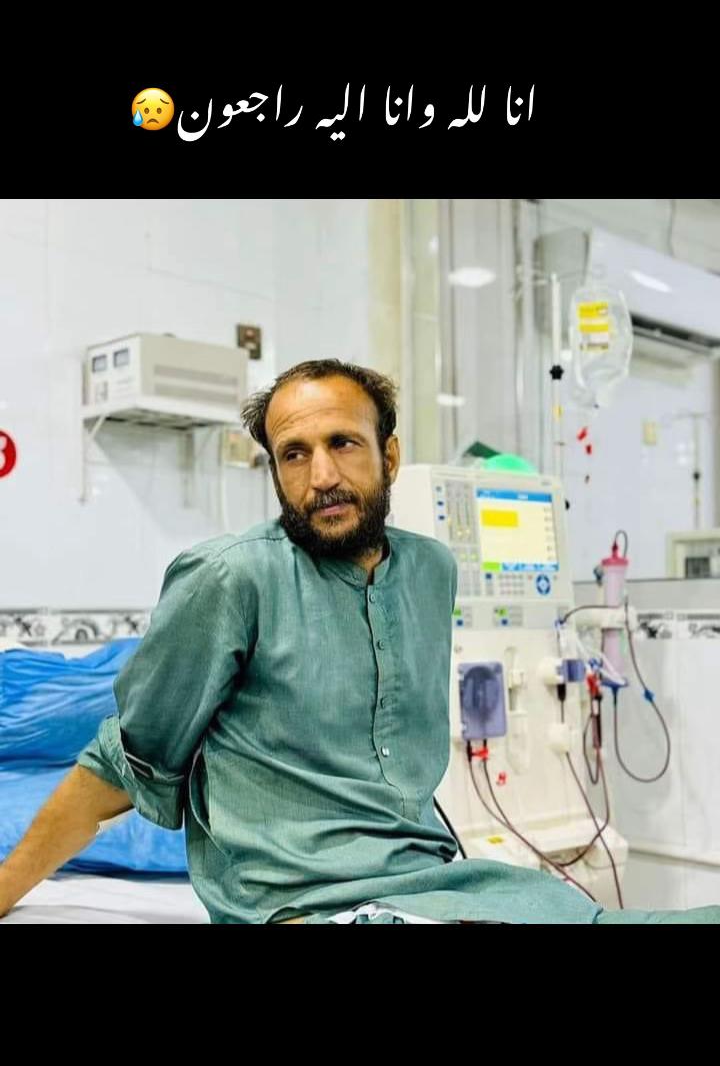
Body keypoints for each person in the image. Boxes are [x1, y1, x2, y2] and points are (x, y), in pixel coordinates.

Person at [1, 360, 717, 924]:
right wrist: (5, 889)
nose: (322, 477)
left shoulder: (431, 571)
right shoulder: (230, 578)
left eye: (342, 443)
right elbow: (126, 760)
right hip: (299, 899)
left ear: (389, 455)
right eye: (294, 454)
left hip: (434, 882)